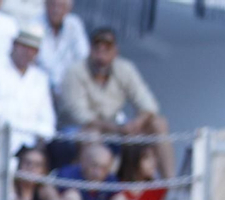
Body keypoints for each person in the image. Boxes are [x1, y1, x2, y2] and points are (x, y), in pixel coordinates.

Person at [60, 26, 173, 179]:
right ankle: (90, 191)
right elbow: (81, 115)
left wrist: (137, 123)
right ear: (90, 50)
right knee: (91, 134)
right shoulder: (74, 71)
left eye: (107, 49)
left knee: (159, 123)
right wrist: (118, 128)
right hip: (75, 131)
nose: (101, 56)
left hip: (115, 129)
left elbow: (148, 103)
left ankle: (170, 185)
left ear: (115, 51)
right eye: (97, 49)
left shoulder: (124, 68)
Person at [0, 28, 52, 147]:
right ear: (14, 45)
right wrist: (7, 137)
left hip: (28, 142)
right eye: (24, 47)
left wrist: (37, 144)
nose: (27, 53)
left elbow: (47, 119)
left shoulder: (40, 78)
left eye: (32, 50)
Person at [56, 141, 139, 200]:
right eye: (94, 165)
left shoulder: (110, 179)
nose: (98, 173)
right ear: (84, 161)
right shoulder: (68, 174)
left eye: (104, 168)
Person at [33, 0, 86, 95]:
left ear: (68, 9)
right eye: (53, 5)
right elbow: (41, 62)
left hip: (69, 86)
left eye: (61, 6)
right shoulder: (35, 25)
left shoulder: (74, 25)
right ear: (46, 5)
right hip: (41, 86)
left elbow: (83, 56)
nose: (56, 10)